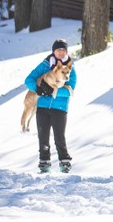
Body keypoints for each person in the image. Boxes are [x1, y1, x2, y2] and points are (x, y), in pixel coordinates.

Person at [24, 39, 78, 174]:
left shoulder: (70, 69)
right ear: (53, 51)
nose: (61, 52)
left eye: (63, 50)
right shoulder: (44, 65)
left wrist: (54, 91)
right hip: (42, 107)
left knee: (59, 136)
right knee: (43, 137)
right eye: (58, 49)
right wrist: (38, 89)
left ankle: (65, 163)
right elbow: (28, 80)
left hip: (59, 108)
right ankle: (44, 164)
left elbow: (70, 89)